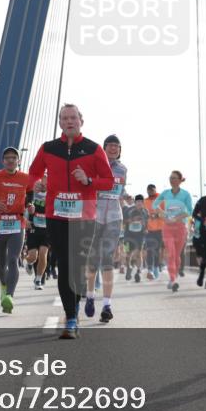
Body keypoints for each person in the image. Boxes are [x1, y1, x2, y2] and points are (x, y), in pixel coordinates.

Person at [27, 104, 113, 338]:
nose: (69, 122)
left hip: (84, 217)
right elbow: (32, 173)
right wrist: (36, 183)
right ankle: (71, 317)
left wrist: (88, 181)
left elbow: (108, 181)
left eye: (73, 118)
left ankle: (73, 312)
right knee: (64, 265)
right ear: (60, 123)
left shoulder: (93, 149)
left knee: (77, 266)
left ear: (81, 121)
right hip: (57, 216)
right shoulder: (48, 148)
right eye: (64, 118)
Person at [0, 147, 33, 314]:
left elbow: (31, 192)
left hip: (17, 223)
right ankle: (4, 285)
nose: (11, 160)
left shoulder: (26, 178)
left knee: (13, 259)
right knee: (1, 262)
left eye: (14, 158)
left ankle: (9, 297)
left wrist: (29, 205)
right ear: (2, 161)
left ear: (18, 161)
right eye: (7, 158)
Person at [88, 134, 127, 322]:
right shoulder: (95, 165)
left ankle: (107, 305)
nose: (113, 149)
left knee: (107, 259)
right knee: (93, 258)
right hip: (95, 215)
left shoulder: (123, 169)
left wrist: (126, 198)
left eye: (116, 146)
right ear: (103, 148)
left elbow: (120, 191)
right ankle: (89, 296)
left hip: (114, 217)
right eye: (110, 145)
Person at [154, 171, 194, 292]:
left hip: (180, 227)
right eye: (170, 178)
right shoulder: (165, 193)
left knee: (176, 255)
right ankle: (172, 279)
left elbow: (190, 211)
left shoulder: (186, 194)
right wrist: (162, 214)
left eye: (174, 178)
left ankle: (174, 275)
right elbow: (155, 205)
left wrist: (177, 218)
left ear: (180, 180)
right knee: (170, 253)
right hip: (167, 227)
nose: (172, 180)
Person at [25, 176, 50, 290]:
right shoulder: (32, 193)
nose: (44, 184)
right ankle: (29, 263)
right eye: (42, 182)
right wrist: (25, 220)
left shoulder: (53, 194)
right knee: (33, 256)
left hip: (47, 229)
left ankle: (38, 279)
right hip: (33, 227)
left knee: (43, 253)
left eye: (47, 182)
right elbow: (24, 205)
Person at [143, 184, 165, 280]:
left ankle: (156, 268)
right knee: (150, 249)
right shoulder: (145, 201)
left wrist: (157, 216)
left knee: (156, 250)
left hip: (161, 229)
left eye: (152, 190)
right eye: (149, 190)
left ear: (155, 190)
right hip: (149, 230)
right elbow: (142, 215)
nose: (151, 192)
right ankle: (150, 270)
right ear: (147, 191)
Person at [123, 194, 148, 281]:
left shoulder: (145, 211)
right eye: (137, 201)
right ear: (135, 202)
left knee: (138, 253)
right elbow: (123, 221)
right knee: (127, 254)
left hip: (140, 235)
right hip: (128, 235)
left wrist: (144, 226)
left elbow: (147, 224)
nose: (139, 203)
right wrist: (132, 220)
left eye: (141, 202)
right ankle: (128, 268)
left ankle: (138, 271)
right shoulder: (128, 210)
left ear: (143, 202)